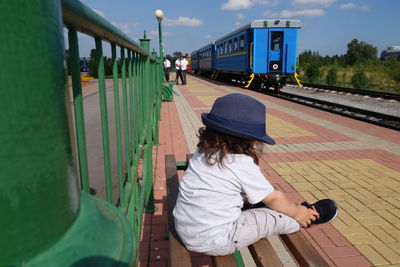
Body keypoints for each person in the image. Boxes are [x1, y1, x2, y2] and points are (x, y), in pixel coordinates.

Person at [173, 93, 338, 256]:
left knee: (262, 195)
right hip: (217, 239)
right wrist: (296, 212)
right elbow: (275, 198)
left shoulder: (203, 152)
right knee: (272, 217)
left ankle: (270, 206)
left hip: (186, 227)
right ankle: (306, 217)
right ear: (249, 140)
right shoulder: (239, 162)